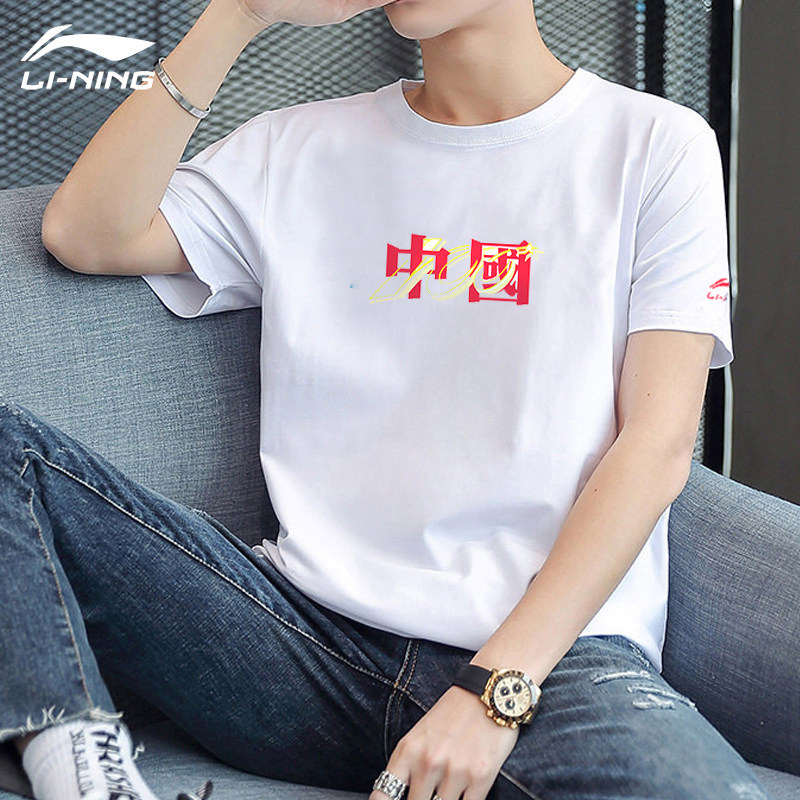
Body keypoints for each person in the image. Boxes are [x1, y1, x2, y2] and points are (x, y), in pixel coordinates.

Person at [0, 0, 776, 798]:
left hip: (553, 666)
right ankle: (78, 766)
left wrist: (492, 692)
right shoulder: (295, 149)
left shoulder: (654, 145)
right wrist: (238, 12)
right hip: (302, 642)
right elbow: (85, 234)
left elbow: (656, 447)